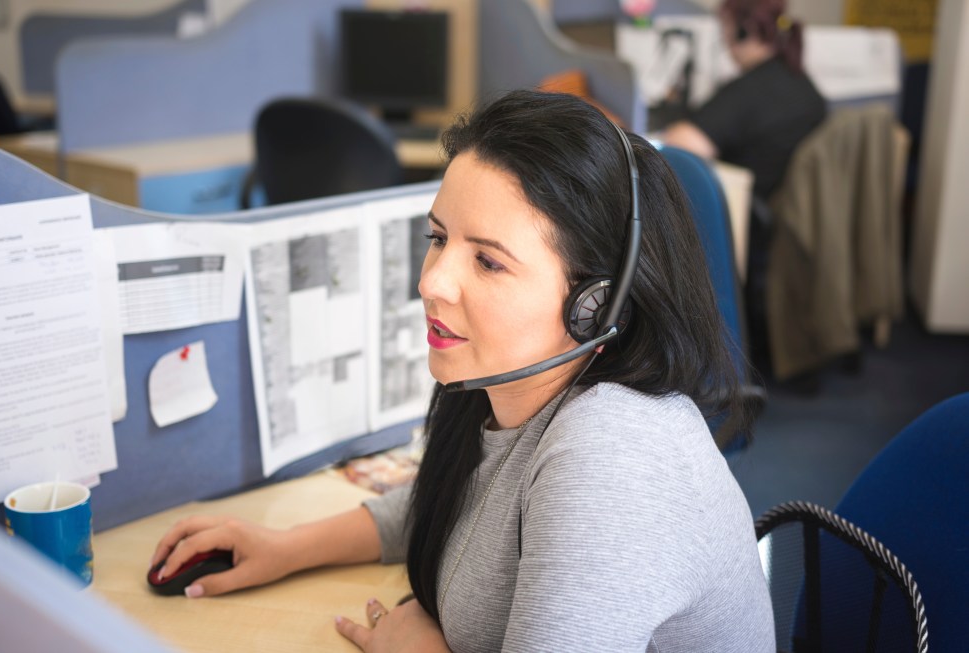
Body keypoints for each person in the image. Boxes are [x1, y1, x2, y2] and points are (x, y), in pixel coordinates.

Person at [150, 90, 775, 652]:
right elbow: (449, 505)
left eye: (489, 263)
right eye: (439, 238)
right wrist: (284, 546)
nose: (432, 282)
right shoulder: (502, 380)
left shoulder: (612, 450)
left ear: (595, 304)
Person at [660, 0, 826, 200]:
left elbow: (679, 145)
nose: (724, 37)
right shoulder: (802, 84)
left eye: (726, 26)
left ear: (743, 31)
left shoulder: (751, 90)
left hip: (745, 215)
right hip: (782, 212)